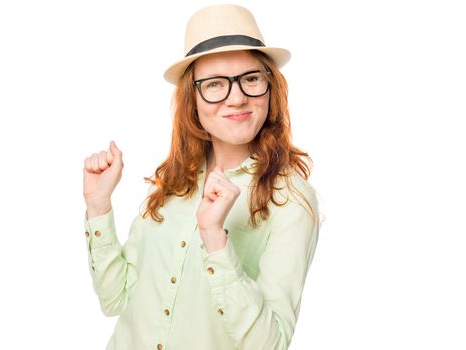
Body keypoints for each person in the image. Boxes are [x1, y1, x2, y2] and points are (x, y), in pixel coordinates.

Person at [82, 4, 319, 350]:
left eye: (251, 79)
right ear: (192, 99)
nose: (237, 98)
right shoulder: (173, 182)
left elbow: (270, 343)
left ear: (271, 88)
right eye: (215, 84)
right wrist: (98, 206)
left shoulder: (292, 199)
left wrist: (215, 239)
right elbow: (115, 301)